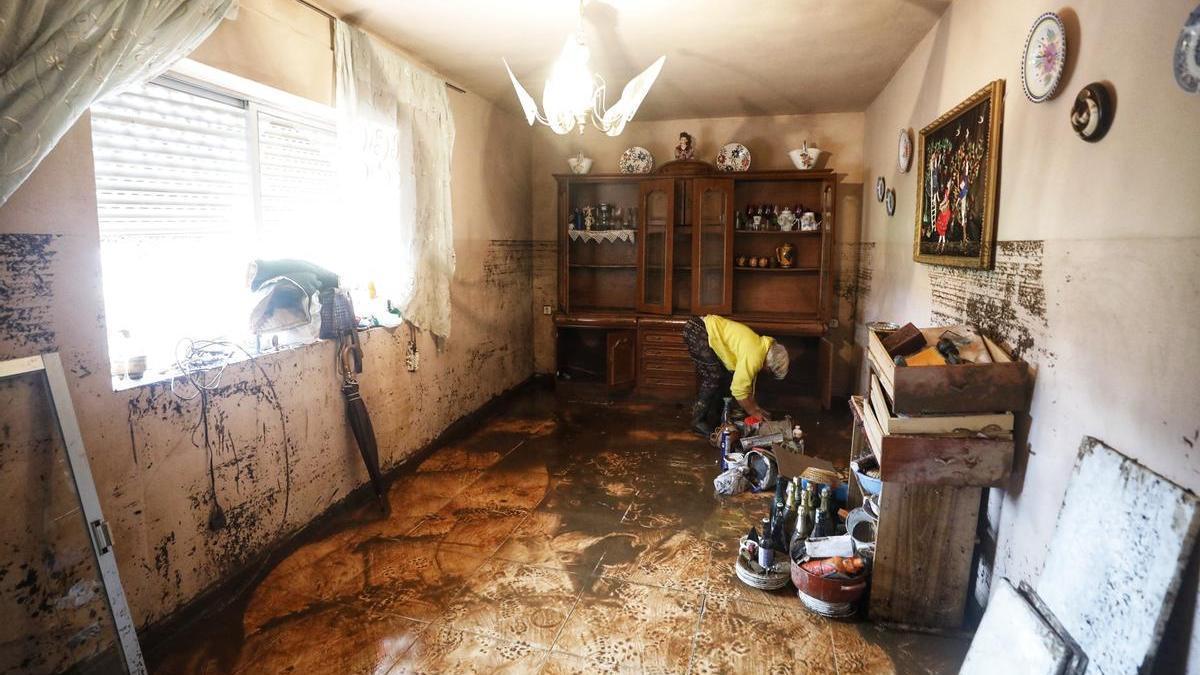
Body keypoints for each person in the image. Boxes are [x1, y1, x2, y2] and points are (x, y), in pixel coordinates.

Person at [682, 315, 790, 436]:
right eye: (769, 371)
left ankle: (716, 417)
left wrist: (757, 409)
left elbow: (746, 386)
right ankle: (697, 422)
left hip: (700, 328)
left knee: (723, 377)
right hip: (698, 330)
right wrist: (753, 412)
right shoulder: (755, 355)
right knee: (713, 378)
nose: (765, 372)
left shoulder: (760, 346)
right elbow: (739, 391)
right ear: (769, 365)